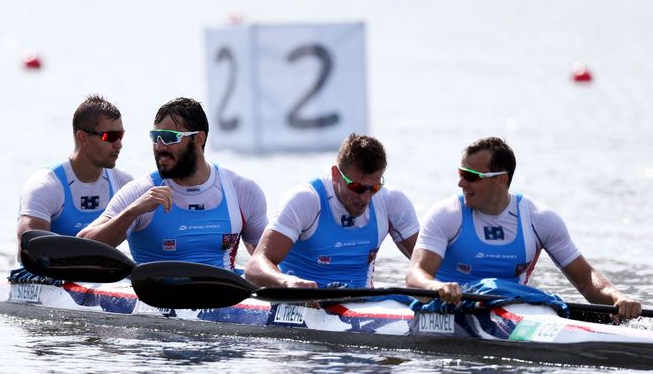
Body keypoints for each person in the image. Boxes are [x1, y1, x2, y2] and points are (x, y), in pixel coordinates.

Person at [405, 136, 642, 319]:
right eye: (460, 173)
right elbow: (415, 275)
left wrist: (617, 298)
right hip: (450, 311)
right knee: (490, 288)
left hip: (512, 311)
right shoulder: (447, 215)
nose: (461, 182)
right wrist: (436, 286)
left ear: (500, 179)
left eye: (471, 175)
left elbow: (586, 280)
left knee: (511, 292)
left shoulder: (539, 219)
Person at [77, 97, 267, 270]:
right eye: (155, 137)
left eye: (169, 138)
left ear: (198, 138)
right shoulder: (140, 192)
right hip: (154, 300)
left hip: (223, 300)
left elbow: (265, 259)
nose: (159, 147)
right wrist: (132, 212)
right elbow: (82, 247)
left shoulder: (242, 190)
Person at [245, 134, 419, 289]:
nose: (365, 198)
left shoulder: (392, 202)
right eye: (356, 187)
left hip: (361, 304)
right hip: (302, 301)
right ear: (336, 174)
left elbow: (427, 266)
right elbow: (255, 266)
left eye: (374, 187)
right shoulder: (306, 200)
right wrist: (287, 282)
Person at [16, 94, 133, 254]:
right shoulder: (45, 185)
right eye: (110, 136)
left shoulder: (124, 184)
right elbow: (30, 252)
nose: (119, 144)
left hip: (93, 275)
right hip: (43, 276)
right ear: (83, 137)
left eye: (121, 135)